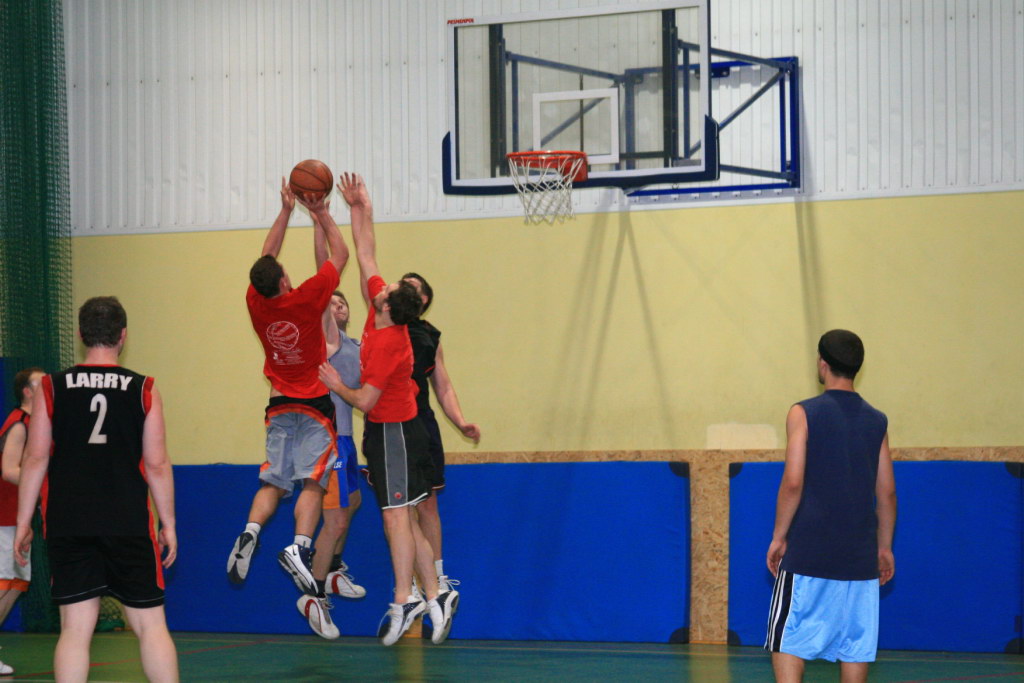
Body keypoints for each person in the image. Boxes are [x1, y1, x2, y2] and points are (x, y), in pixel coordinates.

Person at [318, 172, 457, 646]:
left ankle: (404, 598)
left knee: (395, 516)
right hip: (390, 431)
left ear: (383, 306)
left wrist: (337, 383)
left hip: (394, 432)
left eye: (383, 288)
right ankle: (433, 594)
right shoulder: (383, 313)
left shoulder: (389, 346)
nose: (378, 284)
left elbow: (364, 400)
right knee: (405, 516)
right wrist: (361, 207)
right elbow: (367, 253)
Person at [15, 297, 178, 682]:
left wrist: (23, 523)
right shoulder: (144, 388)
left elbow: (35, 459)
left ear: (80, 335)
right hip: (128, 520)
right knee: (151, 625)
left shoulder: (51, 387)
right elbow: (157, 464)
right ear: (123, 336)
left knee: (75, 629)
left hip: (68, 520)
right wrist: (168, 522)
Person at [228, 178, 349, 616]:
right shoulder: (308, 298)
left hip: (278, 403)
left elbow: (266, 255)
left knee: (273, 482)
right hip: (314, 404)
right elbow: (341, 255)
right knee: (313, 482)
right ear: (283, 279)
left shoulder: (255, 302)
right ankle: (299, 546)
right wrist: (320, 212)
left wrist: (284, 211)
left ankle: (250, 532)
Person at [765, 329, 897, 683]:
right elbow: (886, 493)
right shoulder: (877, 420)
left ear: (822, 364)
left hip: (810, 549)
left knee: (788, 640)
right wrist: (884, 547)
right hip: (860, 555)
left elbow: (793, 481)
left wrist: (779, 536)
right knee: (855, 645)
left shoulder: (803, 412)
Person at [401, 273, 480, 595]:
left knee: (427, 504)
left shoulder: (429, 336)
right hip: (391, 425)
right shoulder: (382, 326)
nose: (402, 289)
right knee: (400, 509)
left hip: (422, 424)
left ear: (423, 300)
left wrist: (460, 421)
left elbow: (443, 386)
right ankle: (409, 584)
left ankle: (437, 578)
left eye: (410, 287)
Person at [0, 367, 45, 675]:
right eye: (41, 384)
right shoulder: (19, 424)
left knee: (15, 585)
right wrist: (45, 480)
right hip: (5, 515)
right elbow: (8, 470)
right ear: (27, 392)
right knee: (4, 583)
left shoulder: (38, 424)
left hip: (21, 517)